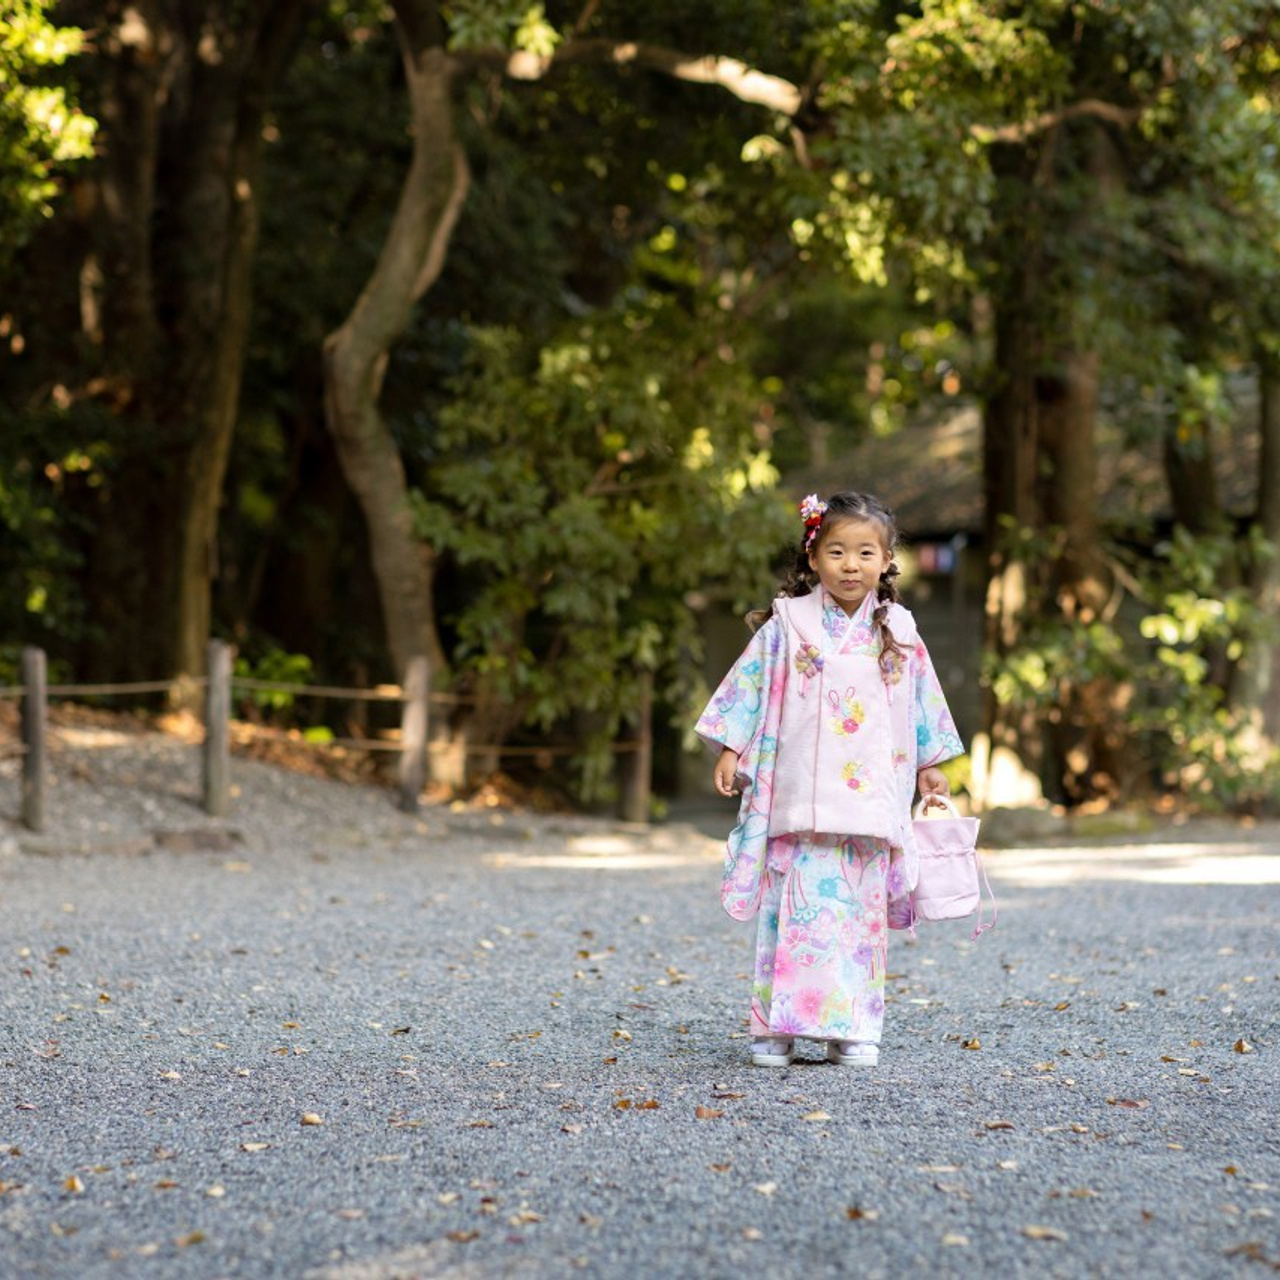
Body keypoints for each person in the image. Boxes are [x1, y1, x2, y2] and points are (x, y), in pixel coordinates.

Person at [695, 491, 964, 1068]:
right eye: (836, 551)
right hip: (797, 791)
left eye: (865, 553)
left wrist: (929, 765)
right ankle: (776, 1028)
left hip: (869, 796)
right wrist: (730, 745)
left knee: (857, 915)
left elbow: (922, 703)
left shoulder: (898, 630)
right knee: (788, 908)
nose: (850, 565)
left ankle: (854, 1027)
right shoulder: (788, 623)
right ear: (813, 557)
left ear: (886, 561)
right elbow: (752, 684)